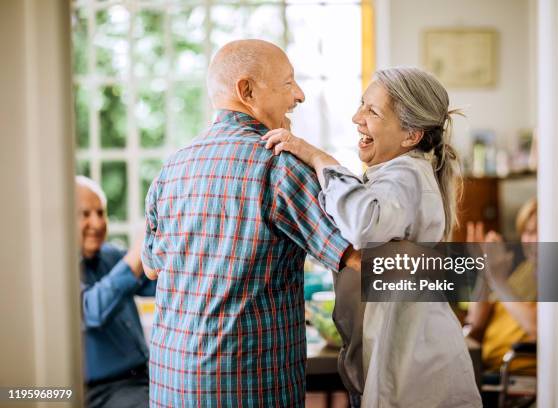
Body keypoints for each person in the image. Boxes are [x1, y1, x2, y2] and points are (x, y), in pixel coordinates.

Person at [141, 39, 360, 407]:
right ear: (247, 90)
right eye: (289, 83)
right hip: (245, 390)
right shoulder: (279, 165)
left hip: (172, 386)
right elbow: (359, 257)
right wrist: (474, 273)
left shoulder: (172, 168)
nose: (300, 96)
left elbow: (151, 267)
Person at [263, 67, 481, 407]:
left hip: (417, 370)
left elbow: (363, 222)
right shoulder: (398, 174)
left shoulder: (406, 175)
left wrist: (319, 157)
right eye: (361, 105)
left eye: (372, 111)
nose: (356, 117)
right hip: (409, 359)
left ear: (411, 135)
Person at [77, 175, 156, 408]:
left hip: (146, 377)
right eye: (85, 214)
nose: (98, 223)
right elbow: (92, 310)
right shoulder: (55, 275)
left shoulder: (111, 255)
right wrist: (137, 253)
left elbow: (157, 286)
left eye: (101, 213)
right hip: (103, 392)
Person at [465, 198, 538, 375]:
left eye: (535, 232)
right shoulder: (524, 271)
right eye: (525, 232)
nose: (527, 240)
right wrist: (485, 271)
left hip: (513, 375)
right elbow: (475, 323)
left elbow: (536, 326)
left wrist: (498, 280)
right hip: (486, 369)